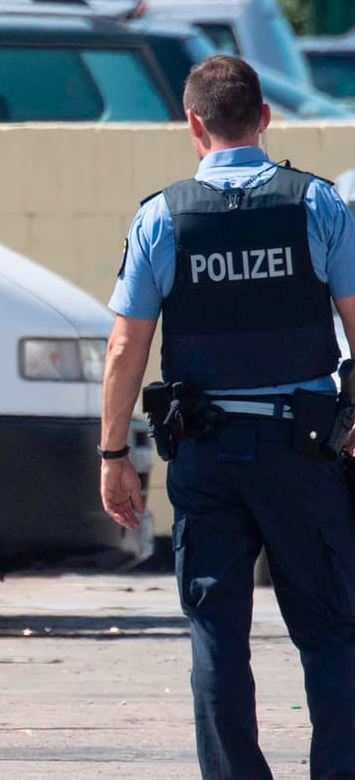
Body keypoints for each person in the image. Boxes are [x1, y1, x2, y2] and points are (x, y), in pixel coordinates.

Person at [100, 55, 355, 780]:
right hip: (303, 451)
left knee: (216, 635)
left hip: (206, 456)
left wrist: (112, 454)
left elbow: (125, 346)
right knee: (332, 630)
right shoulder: (317, 204)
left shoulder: (161, 215)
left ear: (192, 125)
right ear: (265, 118)